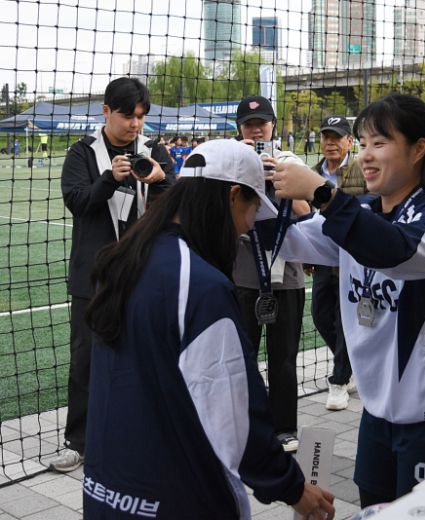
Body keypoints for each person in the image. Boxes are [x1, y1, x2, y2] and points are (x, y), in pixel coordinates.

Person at [82, 139, 335, 520]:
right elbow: (236, 416)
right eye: (252, 211)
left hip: (105, 490)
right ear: (234, 195)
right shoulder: (200, 285)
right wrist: (293, 488)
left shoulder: (126, 259)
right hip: (180, 499)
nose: (248, 227)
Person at [270, 94, 425, 507]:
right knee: (373, 506)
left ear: (419, 148)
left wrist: (322, 193)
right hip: (378, 411)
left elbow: (395, 250)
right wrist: (259, 190)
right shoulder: (363, 210)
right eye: (363, 143)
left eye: (379, 143)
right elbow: (288, 242)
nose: (366, 156)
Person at [56, 77, 176, 473]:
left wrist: (159, 180)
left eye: (141, 116)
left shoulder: (153, 150)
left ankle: (137, 431)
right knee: (86, 359)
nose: (135, 125)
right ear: (106, 111)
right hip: (93, 275)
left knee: (143, 354)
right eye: (128, 115)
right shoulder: (83, 152)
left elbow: (175, 205)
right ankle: (79, 440)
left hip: (142, 273)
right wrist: (111, 179)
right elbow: (77, 202)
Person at [231, 95, 310, 453]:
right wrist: (242, 169)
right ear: (239, 129)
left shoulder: (290, 161)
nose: (256, 128)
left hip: (287, 274)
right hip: (244, 274)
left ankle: (285, 427)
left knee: (284, 359)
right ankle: (245, 421)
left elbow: (306, 209)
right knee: (241, 356)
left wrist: (280, 176)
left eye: (262, 122)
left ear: (273, 126)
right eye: (249, 124)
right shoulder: (228, 161)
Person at [310, 115, 367, 411]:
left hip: (352, 258)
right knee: (320, 314)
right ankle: (354, 362)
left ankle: (339, 380)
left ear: (349, 142)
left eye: (337, 137)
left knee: (345, 318)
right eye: (326, 137)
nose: (330, 143)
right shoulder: (311, 172)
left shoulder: (361, 172)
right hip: (322, 257)